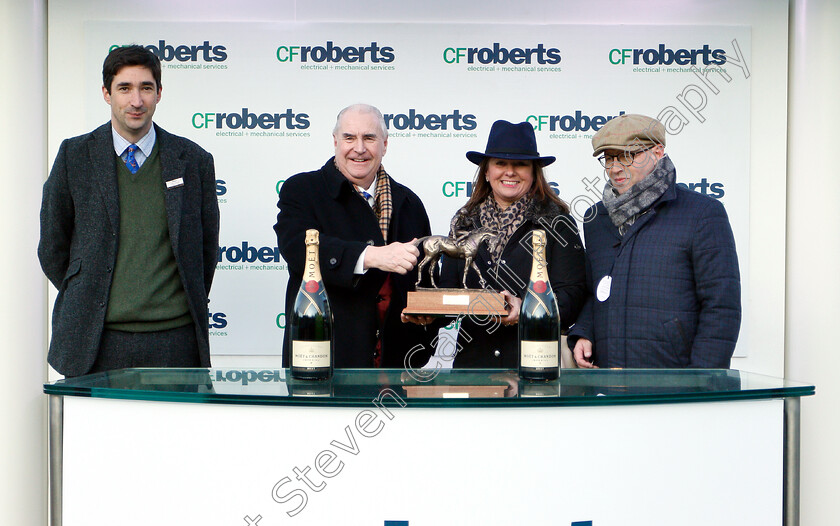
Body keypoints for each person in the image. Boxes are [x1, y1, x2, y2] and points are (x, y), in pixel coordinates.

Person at [38, 45, 220, 377]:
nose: (136, 101)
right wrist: (89, 291)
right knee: (94, 431)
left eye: (146, 88)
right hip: (95, 341)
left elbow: (205, 251)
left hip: (175, 343)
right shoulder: (74, 156)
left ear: (159, 93)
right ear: (107, 93)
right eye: (124, 88)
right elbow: (52, 247)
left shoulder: (194, 160)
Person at [404, 120, 587, 368]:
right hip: (474, 369)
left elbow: (573, 294)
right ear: (487, 172)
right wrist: (427, 315)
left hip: (535, 364)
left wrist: (526, 309)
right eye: (500, 163)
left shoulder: (557, 222)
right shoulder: (464, 222)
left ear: (534, 172)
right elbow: (449, 291)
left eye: (520, 164)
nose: (509, 172)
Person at [567, 114, 741, 368]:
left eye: (628, 155)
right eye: (609, 158)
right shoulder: (596, 218)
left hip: (675, 383)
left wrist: (703, 382)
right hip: (607, 380)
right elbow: (598, 292)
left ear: (657, 152)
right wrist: (585, 330)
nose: (616, 168)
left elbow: (721, 306)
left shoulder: (702, 212)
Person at [274, 103, 432, 368]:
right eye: (349, 138)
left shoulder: (409, 202)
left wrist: (427, 318)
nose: (359, 148)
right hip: (326, 361)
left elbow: (424, 281)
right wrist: (371, 256)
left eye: (369, 138)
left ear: (385, 144)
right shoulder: (302, 190)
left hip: (397, 368)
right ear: (335, 141)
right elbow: (297, 249)